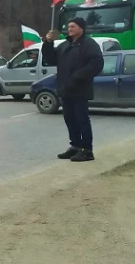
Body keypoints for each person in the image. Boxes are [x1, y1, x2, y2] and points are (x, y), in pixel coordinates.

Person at [42, 18, 104, 162]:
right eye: (68, 26)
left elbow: (97, 63)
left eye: (73, 26)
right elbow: (51, 59)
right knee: (70, 119)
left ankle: (87, 150)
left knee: (82, 120)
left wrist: (78, 76)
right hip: (66, 88)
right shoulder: (65, 45)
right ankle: (75, 146)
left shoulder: (89, 44)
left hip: (80, 88)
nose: (69, 29)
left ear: (81, 28)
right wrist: (48, 43)